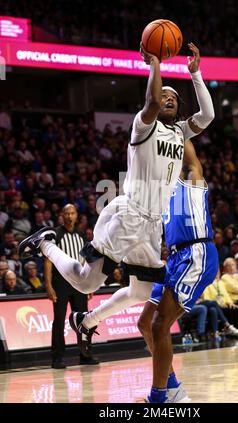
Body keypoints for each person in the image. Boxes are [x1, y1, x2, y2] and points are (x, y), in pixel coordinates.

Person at [19, 42, 214, 359]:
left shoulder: (179, 132)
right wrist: (155, 64)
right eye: (163, 94)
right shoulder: (143, 124)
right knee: (84, 283)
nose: (167, 98)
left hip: (152, 225)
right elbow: (151, 100)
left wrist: (196, 73)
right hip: (129, 214)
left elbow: (207, 115)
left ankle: (86, 320)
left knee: (140, 291)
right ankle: (45, 242)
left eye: (173, 98)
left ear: (179, 108)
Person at [137, 139, 218, 403]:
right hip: (173, 259)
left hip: (196, 252)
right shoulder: (160, 193)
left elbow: (189, 155)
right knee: (145, 324)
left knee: (161, 325)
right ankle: (173, 388)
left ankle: (158, 397)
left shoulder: (190, 179)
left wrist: (175, 130)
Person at [43, 204, 99, 369]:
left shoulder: (81, 235)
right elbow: (48, 261)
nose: (69, 216)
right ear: (62, 215)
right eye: (66, 213)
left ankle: (85, 355)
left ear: (76, 215)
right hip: (60, 283)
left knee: (83, 320)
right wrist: (48, 285)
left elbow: (87, 260)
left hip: (79, 282)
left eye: (72, 213)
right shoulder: (56, 234)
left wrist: (90, 283)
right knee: (59, 320)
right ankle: (57, 357)